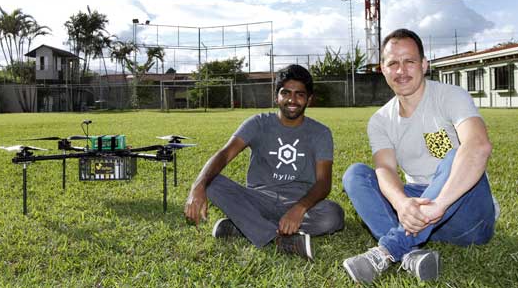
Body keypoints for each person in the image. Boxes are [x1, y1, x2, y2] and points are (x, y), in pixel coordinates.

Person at [342, 29, 497, 283]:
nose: (401, 70)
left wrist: (439, 205)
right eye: (393, 63)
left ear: (424, 65)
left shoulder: (450, 96)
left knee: (456, 155)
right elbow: (386, 169)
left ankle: (389, 250)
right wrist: (402, 203)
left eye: (409, 61)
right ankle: (411, 255)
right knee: (355, 175)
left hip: (466, 215)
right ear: (383, 69)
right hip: (420, 211)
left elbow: (478, 146)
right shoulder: (380, 120)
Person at [184, 64, 344, 260]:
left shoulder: (320, 132)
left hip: (299, 201)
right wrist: (197, 186)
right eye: (285, 93)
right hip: (259, 200)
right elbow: (225, 154)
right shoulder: (258, 123)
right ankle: (277, 238)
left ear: (309, 99)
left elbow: (323, 183)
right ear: (276, 96)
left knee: (333, 215)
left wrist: (299, 209)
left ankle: (243, 226)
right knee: (212, 182)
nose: (292, 100)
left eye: (299, 94)